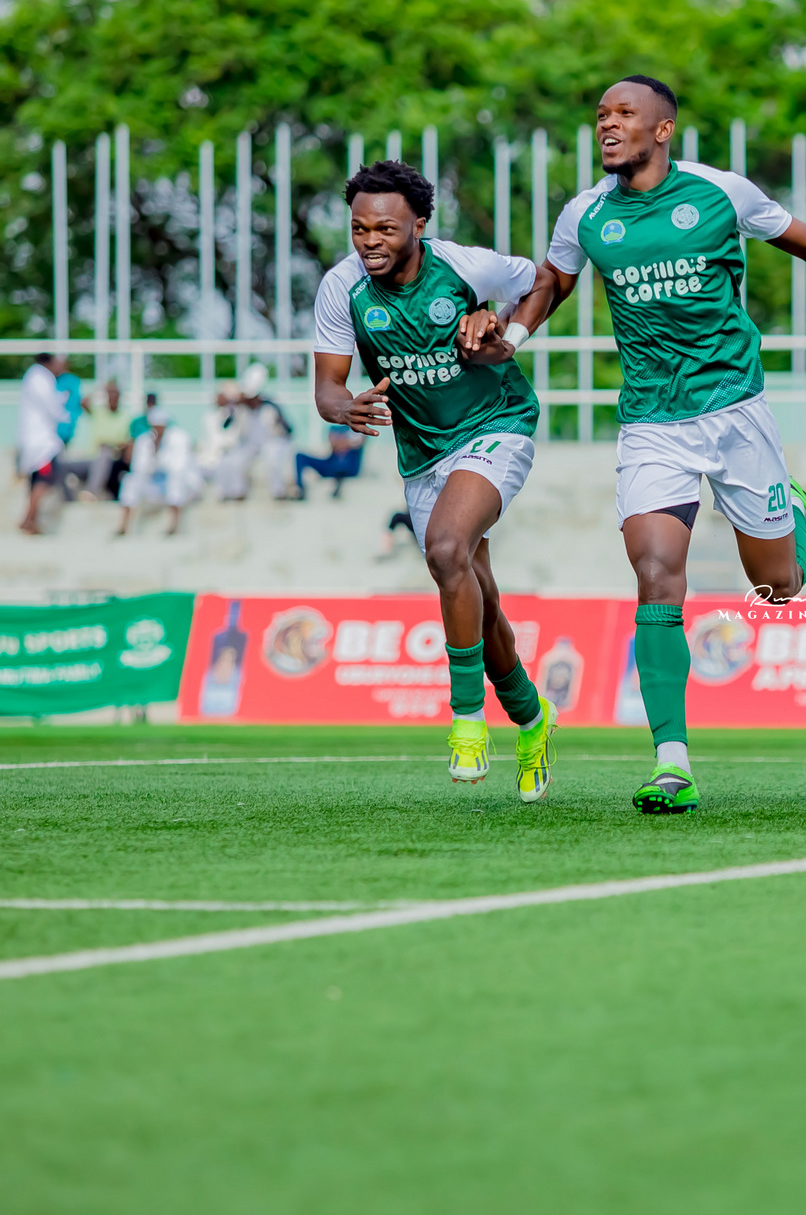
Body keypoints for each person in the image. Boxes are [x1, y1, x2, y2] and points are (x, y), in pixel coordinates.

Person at [503, 75, 806, 813]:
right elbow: (553, 281)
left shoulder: (720, 193)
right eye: (601, 115)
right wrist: (510, 334)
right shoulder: (585, 214)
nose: (607, 124)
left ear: (662, 129)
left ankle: (795, 511)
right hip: (652, 424)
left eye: (625, 114)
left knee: (778, 589)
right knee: (656, 576)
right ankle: (672, 763)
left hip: (736, 415)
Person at [313, 159, 560, 802]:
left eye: (386, 228)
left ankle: (466, 720)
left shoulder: (465, 267)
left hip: (497, 423)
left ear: (419, 225)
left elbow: (543, 280)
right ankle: (533, 718)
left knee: (446, 549)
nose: (370, 241)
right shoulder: (341, 288)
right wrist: (344, 407)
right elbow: (327, 388)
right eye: (359, 228)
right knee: (479, 598)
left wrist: (507, 332)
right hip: (422, 454)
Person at [211, 363, 297, 501]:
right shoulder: (240, 407)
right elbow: (226, 425)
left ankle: (278, 492)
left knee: (273, 459)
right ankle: (237, 493)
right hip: (250, 444)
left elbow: (289, 429)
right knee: (236, 460)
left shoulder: (271, 405)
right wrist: (233, 407)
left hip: (270, 442)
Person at [116, 408, 202, 535]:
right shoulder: (144, 440)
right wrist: (153, 453)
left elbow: (179, 467)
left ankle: (174, 525)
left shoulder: (180, 438)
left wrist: (158, 456)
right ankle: (123, 526)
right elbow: (138, 468)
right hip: (157, 486)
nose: (157, 430)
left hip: (185, 485)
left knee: (175, 480)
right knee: (130, 480)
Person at [16, 352, 69, 535]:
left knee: (37, 481)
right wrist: (66, 412)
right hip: (42, 443)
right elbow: (53, 407)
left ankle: (29, 519)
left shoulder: (33, 376)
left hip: (35, 441)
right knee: (43, 481)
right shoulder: (41, 377)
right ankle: (29, 520)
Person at [295, 423, 365, 498]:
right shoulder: (334, 426)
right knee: (300, 456)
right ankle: (300, 489)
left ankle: (338, 484)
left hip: (348, 468)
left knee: (342, 464)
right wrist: (346, 442)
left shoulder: (359, 428)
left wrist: (339, 441)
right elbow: (333, 443)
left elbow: (360, 442)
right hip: (332, 465)